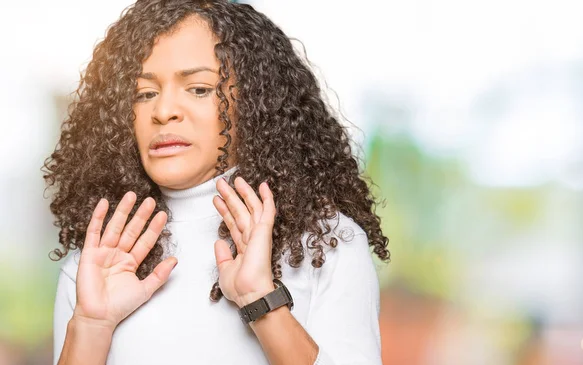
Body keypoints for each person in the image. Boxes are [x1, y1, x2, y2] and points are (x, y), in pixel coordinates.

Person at [43, 1, 390, 364]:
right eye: (144, 94)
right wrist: (91, 324)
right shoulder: (95, 266)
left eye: (198, 88)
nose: (163, 112)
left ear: (255, 100)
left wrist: (260, 299)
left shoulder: (327, 243)